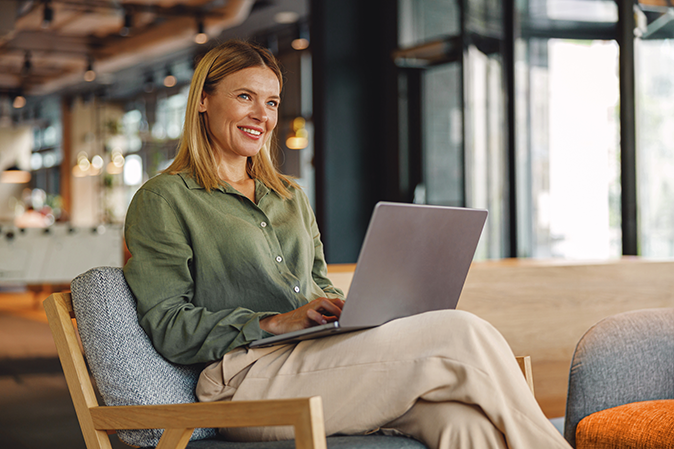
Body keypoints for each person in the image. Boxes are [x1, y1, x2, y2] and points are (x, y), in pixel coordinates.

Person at [123, 40, 572, 449]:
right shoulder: (164, 199)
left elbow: (318, 285)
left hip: (320, 359)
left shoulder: (288, 196)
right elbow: (167, 325)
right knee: (461, 332)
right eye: (245, 97)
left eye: (272, 102)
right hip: (246, 382)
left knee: (462, 424)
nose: (263, 115)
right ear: (203, 100)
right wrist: (273, 323)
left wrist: (352, 313)